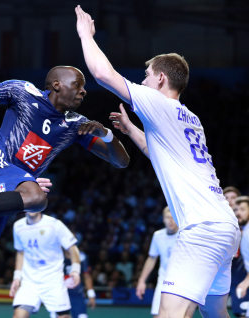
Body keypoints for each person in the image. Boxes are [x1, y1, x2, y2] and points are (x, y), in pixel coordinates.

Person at [0, 67, 130, 318]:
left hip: (4, 198)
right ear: (56, 84)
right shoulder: (23, 93)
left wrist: (106, 134)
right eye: (77, 84)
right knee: (37, 198)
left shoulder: (77, 125)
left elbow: (121, 162)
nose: (84, 91)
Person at [75, 5, 240, 318]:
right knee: (217, 314)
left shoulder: (156, 101)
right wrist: (132, 130)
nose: (144, 82)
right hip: (225, 227)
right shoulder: (191, 118)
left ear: (162, 78)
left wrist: (86, 35)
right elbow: (161, 155)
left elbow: (102, 74)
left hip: (201, 229)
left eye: (147, 76)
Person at [10, 212, 81, 318]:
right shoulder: (17, 226)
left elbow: (73, 248)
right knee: (18, 315)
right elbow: (20, 253)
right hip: (29, 282)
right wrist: (17, 277)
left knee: (64, 316)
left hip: (53, 281)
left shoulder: (55, 224)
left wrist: (75, 270)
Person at [136, 207, 178, 318]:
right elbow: (151, 259)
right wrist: (141, 281)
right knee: (157, 315)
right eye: (168, 217)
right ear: (163, 219)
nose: (170, 220)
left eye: (173, 217)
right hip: (163, 281)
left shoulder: (185, 235)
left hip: (181, 282)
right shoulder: (157, 236)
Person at [223, 187, 248, 318]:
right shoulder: (220, 222)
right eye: (226, 198)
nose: (230, 201)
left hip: (244, 275)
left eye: (233, 198)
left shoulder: (245, 224)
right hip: (229, 276)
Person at [63, 246, 96, 318]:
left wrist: (91, 295)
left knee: (82, 316)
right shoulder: (56, 257)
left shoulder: (82, 257)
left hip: (77, 295)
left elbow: (87, 276)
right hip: (61, 295)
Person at [234, 196, 249, 318]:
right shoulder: (244, 231)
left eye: (242, 209)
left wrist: (245, 282)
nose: (238, 213)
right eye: (236, 210)